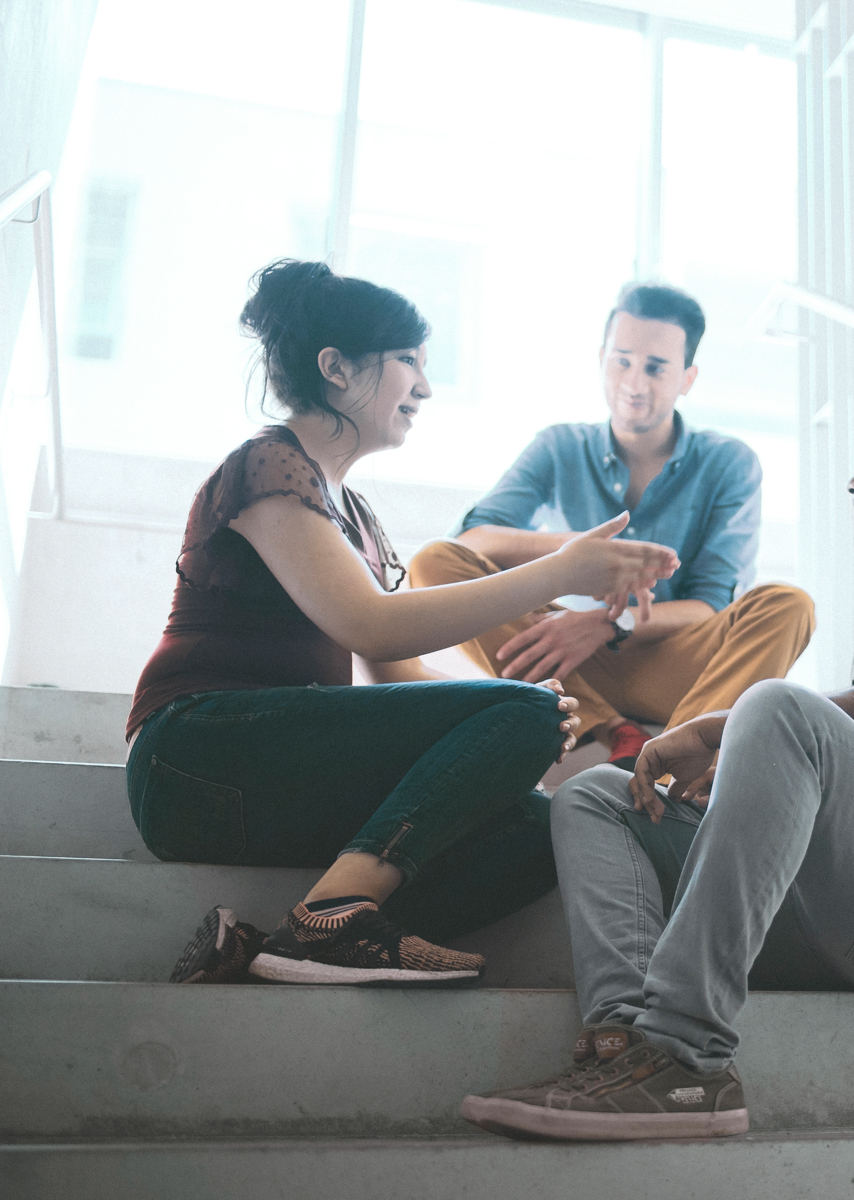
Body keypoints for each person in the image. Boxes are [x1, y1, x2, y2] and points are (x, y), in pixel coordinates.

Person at [461, 381, 854, 1141]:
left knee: (776, 705)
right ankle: (623, 1047)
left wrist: (725, 726)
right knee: (594, 795)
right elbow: (851, 787)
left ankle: (682, 1056)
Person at [129, 260, 678, 988]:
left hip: (280, 775)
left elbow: (401, 679)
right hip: (194, 761)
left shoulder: (357, 518)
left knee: (551, 821)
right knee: (525, 711)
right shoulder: (268, 465)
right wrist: (559, 575)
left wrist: (508, 736)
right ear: (335, 367)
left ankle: (297, 939)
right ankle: (333, 913)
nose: (424, 385)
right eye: (408, 363)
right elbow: (373, 627)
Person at [408, 283, 814, 773]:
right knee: (433, 561)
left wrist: (606, 623)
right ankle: (611, 728)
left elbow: (710, 604)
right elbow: (472, 542)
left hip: (668, 658)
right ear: (601, 358)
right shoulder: (559, 446)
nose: (634, 383)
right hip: (565, 658)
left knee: (789, 604)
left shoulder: (729, 462)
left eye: (656, 368)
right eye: (621, 360)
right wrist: (571, 555)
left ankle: (671, 759)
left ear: (687, 378)